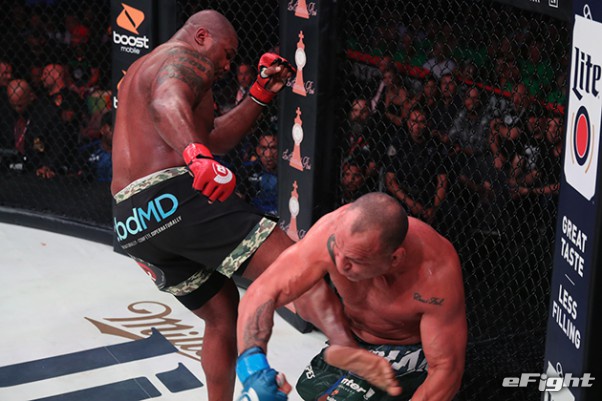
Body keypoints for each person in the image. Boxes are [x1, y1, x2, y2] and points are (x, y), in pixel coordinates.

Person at [110, 10, 308, 401]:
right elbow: (167, 104)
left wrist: (260, 93)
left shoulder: (145, 70)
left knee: (221, 315)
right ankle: (359, 353)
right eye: (227, 53)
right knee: (301, 267)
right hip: (173, 197)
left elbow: (214, 136)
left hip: (130, 222)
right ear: (201, 37)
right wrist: (197, 156)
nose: (227, 65)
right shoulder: (183, 57)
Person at [236, 192, 467, 401]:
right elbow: (264, 291)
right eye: (337, 250)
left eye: (355, 261)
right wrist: (253, 368)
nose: (339, 264)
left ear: (394, 259)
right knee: (310, 388)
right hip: (353, 338)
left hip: (407, 349)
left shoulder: (435, 273)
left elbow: (446, 371)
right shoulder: (331, 232)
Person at [237, 130, 279, 217]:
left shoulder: (288, 171)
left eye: (273, 148)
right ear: (258, 150)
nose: (268, 154)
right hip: (254, 216)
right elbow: (239, 197)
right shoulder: (247, 169)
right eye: (264, 148)